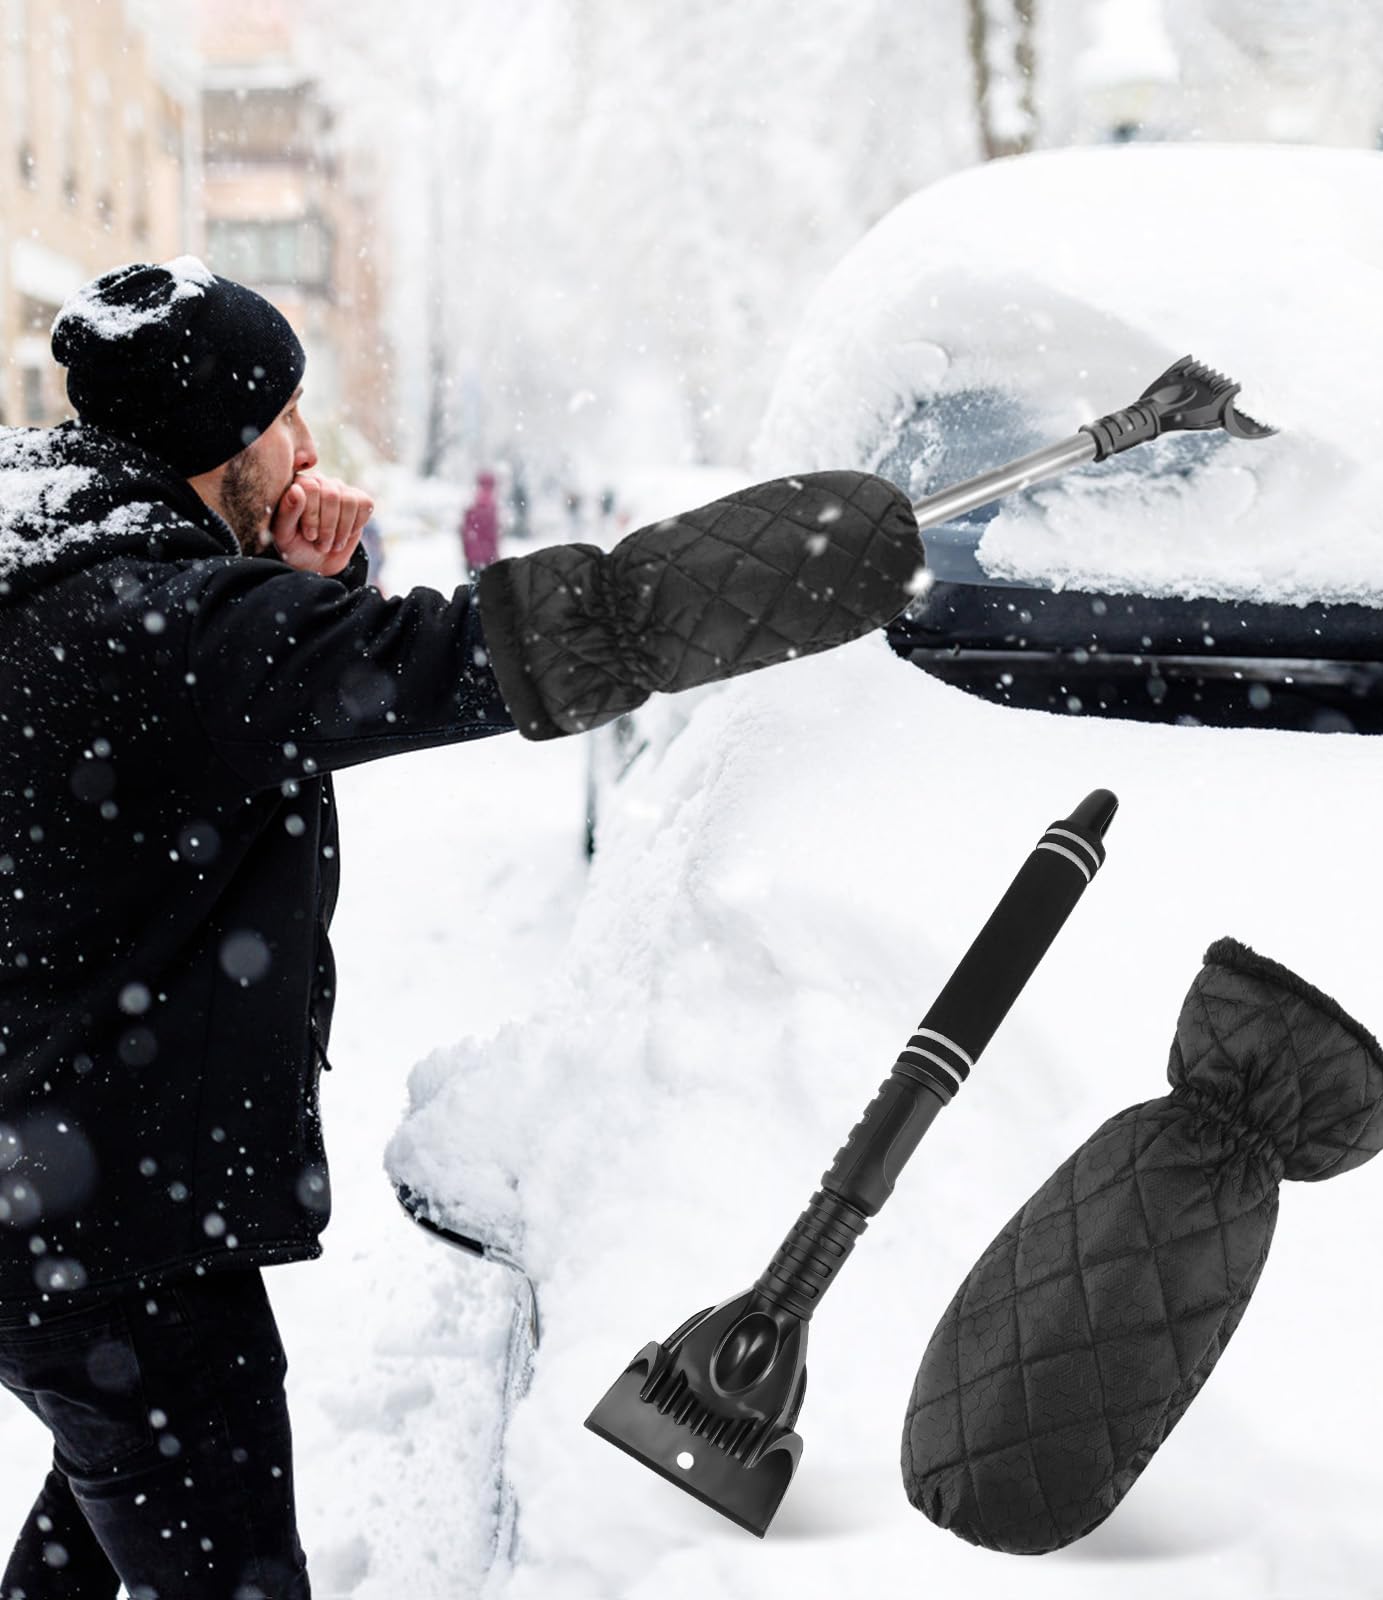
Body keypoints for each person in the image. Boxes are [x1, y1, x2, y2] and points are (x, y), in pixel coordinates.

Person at [0, 257, 923, 1598]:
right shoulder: (170, 634)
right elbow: (444, 661)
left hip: (58, 1199)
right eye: (282, 417)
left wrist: (278, 581)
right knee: (219, 1559)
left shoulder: (66, 565)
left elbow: (235, 684)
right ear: (211, 437)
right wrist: (728, 587)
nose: (308, 446)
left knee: (120, 1494)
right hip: (101, 1233)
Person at [459, 468, 499, 578]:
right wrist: (495, 555)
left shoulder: (472, 502)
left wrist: (467, 554)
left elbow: (465, 532)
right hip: (488, 559)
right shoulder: (492, 506)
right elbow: (493, 535)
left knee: (473, 589)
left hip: (472, 558)